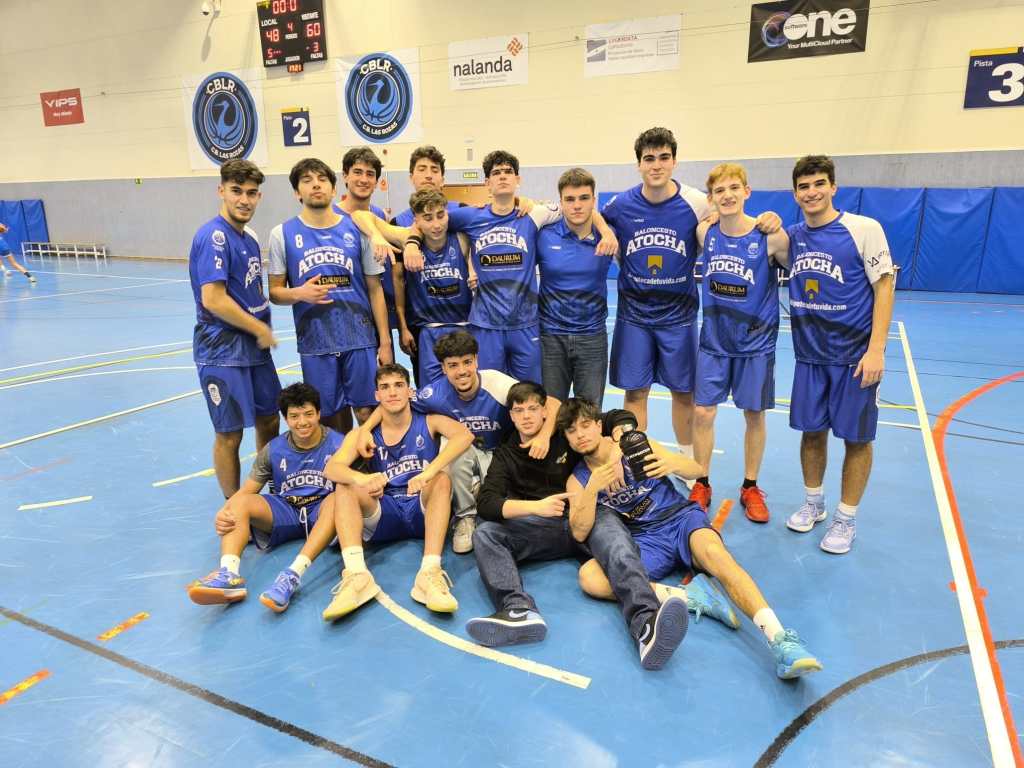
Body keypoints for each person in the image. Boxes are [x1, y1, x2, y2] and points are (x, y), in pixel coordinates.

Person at [561, 398, 823, 679]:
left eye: (585, 425)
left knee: (717, 557)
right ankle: (692, 596)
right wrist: (592, 489)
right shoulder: (578, 480)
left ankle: (781, 640)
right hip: (645, 539)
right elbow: (579, 531)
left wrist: (672, 463)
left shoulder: (632, 445)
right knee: (590, 578)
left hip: (680, 519)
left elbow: (696, 470)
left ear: (599, 424)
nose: (580, 435)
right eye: (572, 431)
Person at [468, 382, 688, 670]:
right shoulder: (506, 454)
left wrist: (619, 444)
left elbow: (614, 418)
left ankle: (646, 624)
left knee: (617, 547)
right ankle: (518, 610)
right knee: (486, 533)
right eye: (519, 411)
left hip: (590, 510)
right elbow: (487, 503)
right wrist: (536, 507)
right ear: (511, 416)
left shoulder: (567, 432)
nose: (526, 416)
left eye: (533, 408)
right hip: (546, 525)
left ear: (545, 411)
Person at [600, 127, 780, 471]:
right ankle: (636, 462)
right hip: (634, 315)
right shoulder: (620, 204)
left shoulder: (696, 202)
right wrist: (605, 229)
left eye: (663, 157)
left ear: (675, 162)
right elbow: (593, 218)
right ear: (638, 164)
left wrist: (767, 218)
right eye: (649, 159)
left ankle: (685, 463)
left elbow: (731, 218)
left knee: (684, 393)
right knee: (635, 392)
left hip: (679, 316)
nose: (656, 165)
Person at [404, 149, 617, 382]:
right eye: (496, 173)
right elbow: (429, 220)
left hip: (525, 324)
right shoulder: (470, 216)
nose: (503, 176)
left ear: (518, 179)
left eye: (508, 171)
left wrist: (605, 231)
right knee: (491, 389)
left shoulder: (534, 213)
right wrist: (412, 243)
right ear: (487, 182)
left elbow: (582, 210)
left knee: (529, 392)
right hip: (486, 325)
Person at [785, 155, 895, 554]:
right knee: (812, 433)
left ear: (833, 187)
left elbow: (884, 286)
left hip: (854, 357)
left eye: (819, 184)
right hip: (810, 357)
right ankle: (814, 503)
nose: (811, 192)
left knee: (857, 439)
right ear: (795, 193)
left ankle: (846, 518)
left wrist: (876, 349)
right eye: (804, 186)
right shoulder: (793, 236)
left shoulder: (864, 228)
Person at [320, 363, 474, 620]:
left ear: (409, 391)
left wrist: (428, 472)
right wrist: (363, 478)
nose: (392, 392)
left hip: (421, 508)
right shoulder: (363, 435)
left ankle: (429, 573)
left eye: (399, 385)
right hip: (385, 509)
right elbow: (331, 469)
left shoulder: (430, 421)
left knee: (441, 479)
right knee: (344, 487)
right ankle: (357, 576)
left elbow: (464, 436)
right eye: (385, 387)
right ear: (377, 395)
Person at [690, 163, 790, 522]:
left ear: (747, 192)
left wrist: (776, 220)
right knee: (702, 412)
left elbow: (799, 266)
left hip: (755, 344)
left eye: (734, 188)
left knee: (754, 414)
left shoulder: (771, 237)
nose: (728, 195)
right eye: (720, 190)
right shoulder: (705, 232)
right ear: (711, 198)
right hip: (714, 341)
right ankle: (701, 481)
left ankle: (750, 486)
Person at [186, 383, 342, 610]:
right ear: (286, 419)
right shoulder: (273, 449)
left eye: (308, 414)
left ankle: (292, 575)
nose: (302, 422)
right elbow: (247, 491)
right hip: (287, 511)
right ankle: (229, 574)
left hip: (323, 513)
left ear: (319, 413)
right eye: (294, 416)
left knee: (338, 500)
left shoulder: (339, 444)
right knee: (238, 503)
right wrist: (226, 512)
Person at [268, 158, 392, 435]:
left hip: (359, 337)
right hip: (316, 341)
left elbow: (375, 288)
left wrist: (384, 343)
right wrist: (299, 293)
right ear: (297, 192)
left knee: (368, 411)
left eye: (322, 179)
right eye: (307, 181)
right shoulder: (282, 234)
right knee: (329, 416)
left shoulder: (357, 230)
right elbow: (275, 292)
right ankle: (342, 461)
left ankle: (373, 460)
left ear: (334, 189)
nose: (316, 185)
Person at [413, 330, 561, 553]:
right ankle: (465, 517)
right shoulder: (433, 393)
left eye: (467, 362)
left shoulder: (497, 383)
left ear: (476, 360)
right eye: (453, 365)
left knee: (503, 505)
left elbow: (552, 403)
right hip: (467, 457)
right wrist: (366, 430)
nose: (462, 371)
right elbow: (398, 405)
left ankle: (480, 492)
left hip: (502, 456)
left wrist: (543, 436)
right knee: (454, 448)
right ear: (443, 368)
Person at [188, 159, 281, 498]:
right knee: (230, 433)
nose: (244, 200)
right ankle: (234, 506)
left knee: (269, 419)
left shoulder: (249, 238)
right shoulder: (213, 237)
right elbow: (213, 299)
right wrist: (259, 327)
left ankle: (267, 493)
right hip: (222, 349)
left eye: (252, 193)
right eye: (236, 191)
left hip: (255, 349)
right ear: (221, 191)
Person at [536, 168, 612, 406]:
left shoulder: (609, 238)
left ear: (594, 201)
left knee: (589, 412)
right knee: (550, 412)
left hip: (592, 338)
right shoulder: (543, 236)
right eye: (569, 199)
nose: (577, 205)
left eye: (584, 198)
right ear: (561, 203)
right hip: (551, 338)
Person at [390, 145, 465, 384]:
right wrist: (402, 326)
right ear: (411, 177)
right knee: (430, 390)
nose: (429, 175)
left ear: (443, 178)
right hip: (422, 327)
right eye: (422, 169)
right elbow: (398, 279)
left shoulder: (460, 212)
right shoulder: (398, 222)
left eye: (434, 170)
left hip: (463, 322)